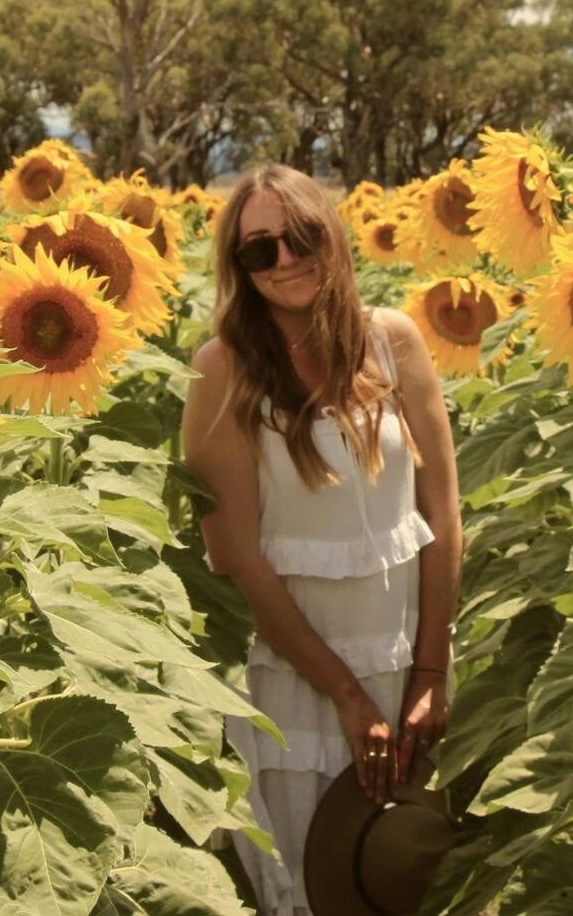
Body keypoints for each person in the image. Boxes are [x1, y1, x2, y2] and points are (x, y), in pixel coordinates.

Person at [182, 164, 463, 916]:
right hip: (297, 683)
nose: (285, 261)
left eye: (300, 237)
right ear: (238, 269)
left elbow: (441, 512)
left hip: (406, 668)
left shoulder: (394, 342)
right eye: (258, 251)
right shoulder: (225, 371)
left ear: (331, 234)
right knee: (314, 884)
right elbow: (236, 560)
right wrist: (342, 693)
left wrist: (431, 670)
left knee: (400, 874)